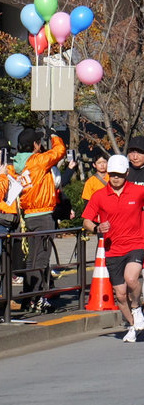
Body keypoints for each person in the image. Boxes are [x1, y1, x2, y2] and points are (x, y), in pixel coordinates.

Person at [81, 154, 144, 344]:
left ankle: (136, 308)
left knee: (131, 278)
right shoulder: (99, 196)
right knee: (120, 294)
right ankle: (132, 325)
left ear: (127, 173)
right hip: (113, 248)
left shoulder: (138, 191)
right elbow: (86, 220)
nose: (115, 178)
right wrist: (97, 227)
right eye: (112, 174)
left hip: (136, 243)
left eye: (119, 175)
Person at [15, 128, 66, 311]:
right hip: (43, 214)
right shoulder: (37, 160)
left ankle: (29, 297)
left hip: (29, 215)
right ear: (35, 145)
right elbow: (59, 151)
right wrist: (54, 136)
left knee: (32, 259)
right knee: (41, 259)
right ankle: (36, 299)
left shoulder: (17, 164)